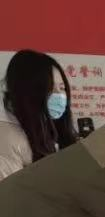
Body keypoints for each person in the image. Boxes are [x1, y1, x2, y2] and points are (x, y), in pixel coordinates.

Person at [0, 49, 77, 180]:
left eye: (62, 88)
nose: (59, 95)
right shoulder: (6, 137)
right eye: (50, 89)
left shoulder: (50, 128)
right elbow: (8, 191)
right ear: (27, 93)